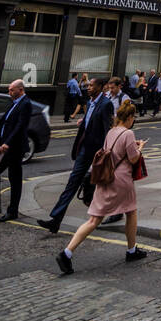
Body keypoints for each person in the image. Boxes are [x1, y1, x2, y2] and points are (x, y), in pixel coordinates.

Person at [56, 99, 147, 274]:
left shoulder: (111, 132)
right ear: (128, 117)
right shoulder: (128, 133)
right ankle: (130, 250)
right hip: (121, 181)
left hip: (105, 177)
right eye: (133, 117)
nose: (133, 120)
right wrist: (140, 147)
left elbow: (113, 152)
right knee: (128, 212)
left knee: (97, 219)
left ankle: (68, 253)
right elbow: (134, 158)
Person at [37, 76, 113, 233]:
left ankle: (108, 212)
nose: (88, 87)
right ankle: (55, 220)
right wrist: (83, 121)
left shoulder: (106, 104)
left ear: (100, 87)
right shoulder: (89, 102)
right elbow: (90, 120)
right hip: (84, 150)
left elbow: (107, 130)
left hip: (96, 152)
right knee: (72, 183)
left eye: (91, 85)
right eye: (88, 85)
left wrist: (105, 152)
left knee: (99, 186)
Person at [0, 78, 31, 221]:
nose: (9, 92)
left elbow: (20, 126)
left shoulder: (25, 104)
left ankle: (12, 211)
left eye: (11, 90)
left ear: (20, 90)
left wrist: (8, 142)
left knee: (14, 179)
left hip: (14, 148)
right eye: (9, 89)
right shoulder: (15, 103)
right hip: (3, 147)